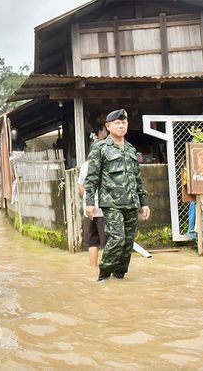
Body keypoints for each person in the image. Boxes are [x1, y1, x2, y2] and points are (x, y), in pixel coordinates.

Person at [84, 109, 150, 281]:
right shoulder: (100, 148)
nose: (121, 125)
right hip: (111, 203)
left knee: (128, 242)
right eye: (117, 123)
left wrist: (144, 203)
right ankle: (104, 275)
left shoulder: (130, 148)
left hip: (131, 203)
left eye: (124, 122)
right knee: (117, 238)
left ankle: (119, 276)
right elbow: (91, 178)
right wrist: (89, 203)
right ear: (108, 126)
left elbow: (137, 178)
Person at [77, 125, 108, 272]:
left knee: (92, 241)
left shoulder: (84, 166)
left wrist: (87, 202)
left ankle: (93, 269)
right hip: (103, 210)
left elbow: (81, 189)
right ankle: (107, 269)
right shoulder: (106, 166)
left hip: (88, 211)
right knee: (107, 242)